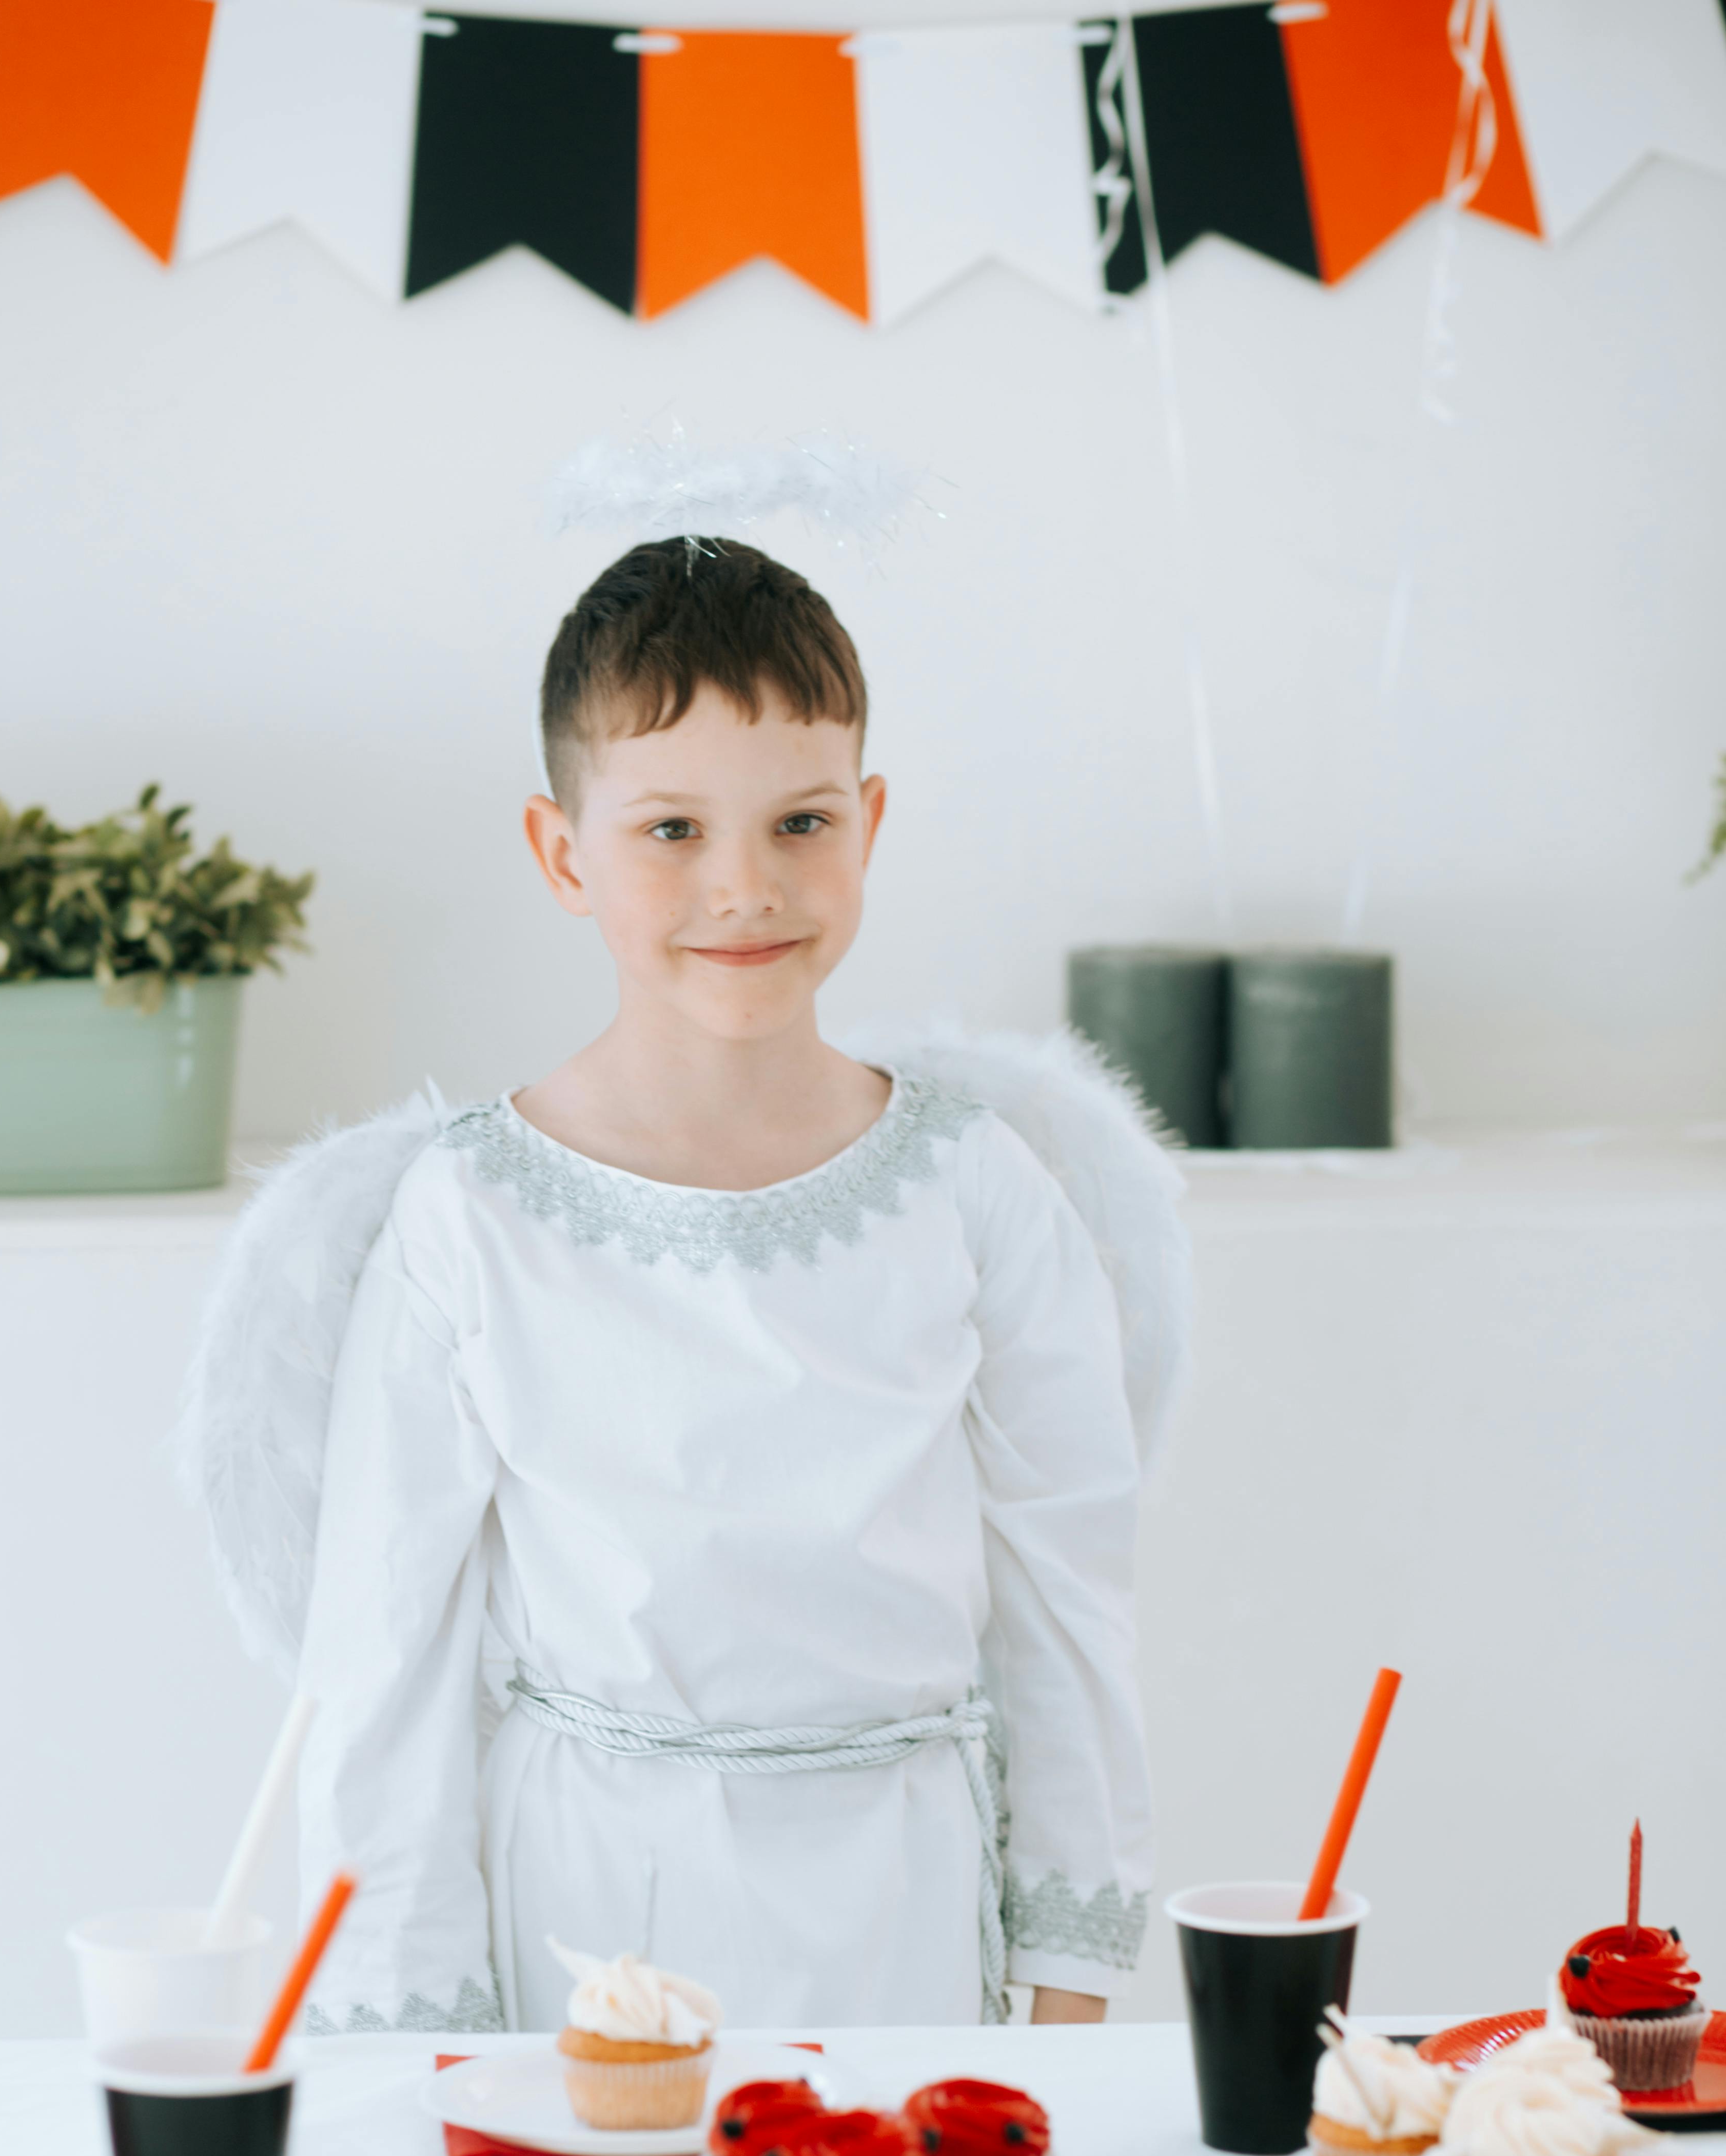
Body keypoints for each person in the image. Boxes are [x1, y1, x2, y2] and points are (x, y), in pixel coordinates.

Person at [182, 536, 1187, 2035]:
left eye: (801, 820)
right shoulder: (469, 1215)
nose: (744, 885)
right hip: (587, 1914)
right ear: (561, 849)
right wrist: (414, 2027)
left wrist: (1067, 1979)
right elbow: (382, 1657)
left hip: (904, 1902)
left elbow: (1067, 1596)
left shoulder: (977, 1193)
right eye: (669, 829)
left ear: (870, 823)